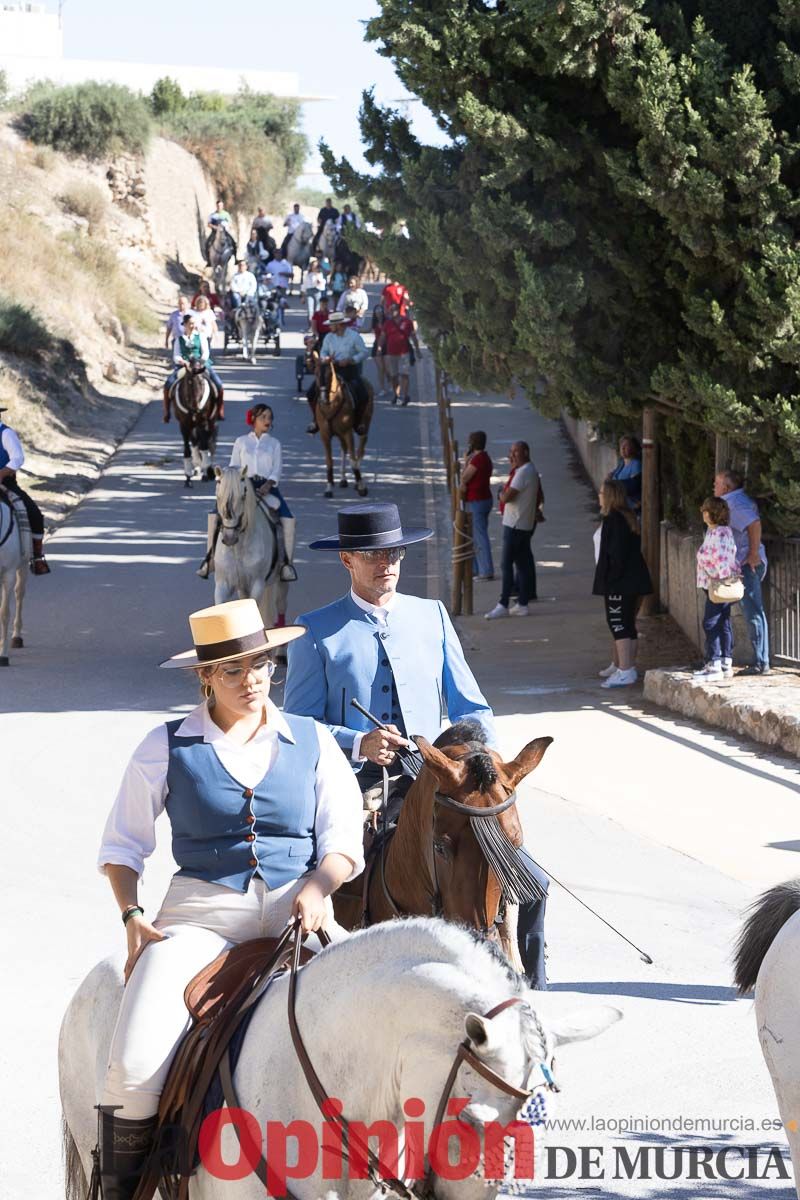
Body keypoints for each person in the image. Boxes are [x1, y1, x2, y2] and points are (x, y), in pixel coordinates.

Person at [94, 598, 363, 1200]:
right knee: (133, 1068)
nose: (253, 680)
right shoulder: (163, 746)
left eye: (262, 664)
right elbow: (122, 847)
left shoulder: (316, 741)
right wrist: (133, 915)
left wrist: (320, 887)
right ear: (205, 676)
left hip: (303, 913)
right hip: (199, 919)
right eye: (235, 670)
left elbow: (343, 840)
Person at [283, 501, 550, 989]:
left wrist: (482, 763)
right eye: (375, 556)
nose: (388, 564)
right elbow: (297, 725)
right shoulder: (315, 630)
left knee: (530, 877)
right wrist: (356, 742)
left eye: (396, 554)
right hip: (359, 782)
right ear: (348, 560)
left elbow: (472, 708)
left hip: (440, 777)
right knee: (325, 872)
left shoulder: (433, 616)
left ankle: (530, 980)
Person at [592, 479, 653, 688]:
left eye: (602, 492)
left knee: (619, 624)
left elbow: (616, 555)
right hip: (633, 581)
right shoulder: (626, 517)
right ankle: (626, 667)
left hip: (621, 584)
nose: (599, 495)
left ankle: (625, 670)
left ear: (609, 496)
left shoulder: (614, 520)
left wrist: (610, 581)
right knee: (627, 624)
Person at [714, 468, 770, 675]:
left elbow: (754, 524)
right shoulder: (734, 501)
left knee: (753, 610)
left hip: (748, 564)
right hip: (742, 563)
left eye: (717, 483)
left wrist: (753, 554)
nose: (714, 487)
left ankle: (761, 662)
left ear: (726, 487)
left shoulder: (734, 503)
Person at [485, 441, 542, 619]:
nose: (512, 455)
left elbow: (507, 497)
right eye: (511, 452)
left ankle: (503, 603)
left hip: (515, 525)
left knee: (507, 565)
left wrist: (501, 491)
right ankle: (522, 604)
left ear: (525, 452)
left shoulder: (524, 472)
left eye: (516, 452)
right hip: (523, 524)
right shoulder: (529, 470)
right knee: (523, 565)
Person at [692, 495, 741, 681]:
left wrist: (715, 576)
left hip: (717, 585)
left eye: (705, 510)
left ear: (710, 513)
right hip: (716, 584)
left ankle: (714, 664)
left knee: (711, 622)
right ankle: (725, 661)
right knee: (723, 622)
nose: (703, 514)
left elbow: (720, 560)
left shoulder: (719, 533)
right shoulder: (718, 532)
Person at [0, 407, 50, 574]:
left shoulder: (6, 434)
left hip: (5, 482)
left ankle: (37, 557)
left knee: (34, 514)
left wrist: (1, 474)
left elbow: (18, 458)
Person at [163, 314, 224, 422]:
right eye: (190, 323)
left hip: (200, 365)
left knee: (218, 384)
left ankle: (220, 410)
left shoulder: (201, 336)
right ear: (185, 325)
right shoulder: (179, 339)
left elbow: (205, 352)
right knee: (168, 384)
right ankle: (167, 413)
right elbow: (176, 355)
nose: (192, 326)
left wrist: (200, 362)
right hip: (184, 366)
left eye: (193, 323)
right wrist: (183, 362)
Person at [319, 311, 370, 434]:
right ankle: (316, 421)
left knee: (363, 394)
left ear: (340, 325)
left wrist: (352, 360)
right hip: (332, 367)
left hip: (349, 368)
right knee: (313, 391)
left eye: (332, 325)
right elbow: (323, 352)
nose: (330, 327)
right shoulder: (328, 337)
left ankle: (358, 422)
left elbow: (364, 352)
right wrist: (326, 358)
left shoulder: (354, 336)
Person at [460, 431, 494, 580]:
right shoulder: (485, 458)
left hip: (476, 501)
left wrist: (465, 461)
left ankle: (485, 570)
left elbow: (465, 477)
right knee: (477, 535)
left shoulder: (477, 460)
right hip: (485, 499)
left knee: (480, 537)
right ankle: (477, 568)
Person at [379, 302, 420, 406]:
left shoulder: (407, 322)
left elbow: (413, 336)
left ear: (398, 310)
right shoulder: (387, 324)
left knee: (404, 374)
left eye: (394, 310)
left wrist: (417, 349)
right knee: (394, 376)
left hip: (404, 352)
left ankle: (405, 395)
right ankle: (396, 395)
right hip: (391, 353)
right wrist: (379, 348)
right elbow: (383, 336)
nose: (392, 312)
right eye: (390, 310)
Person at [608, 435, 642, 511]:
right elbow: (613, 475)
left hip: (628, 506)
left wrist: (614, 484)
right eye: (621, 445)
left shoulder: (635, 464)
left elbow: (633, 486)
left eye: (626, 445)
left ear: (633, 448)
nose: (622, 448)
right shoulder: (622, 462)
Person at [205, 199, 236, 263]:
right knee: (207, 243)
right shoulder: (212, 215)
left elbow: (230, 223)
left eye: (220, 205)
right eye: (218, 205)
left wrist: (227, 227)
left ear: (222, 206)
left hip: (224, 232)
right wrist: (215, 227)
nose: (219, 207)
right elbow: (208, 224)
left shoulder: (226, 214)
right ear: (216, 206)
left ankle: (236, 259)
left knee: (233, 242)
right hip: (215, 232)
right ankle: (208, 261)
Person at [302, 258, 327, 323]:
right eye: (313, 265)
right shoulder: (307, 274)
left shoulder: (320, 274)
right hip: (310, 291)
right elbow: (304, 285)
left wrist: (319, 280)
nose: (314, 267)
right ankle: (311, 323)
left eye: (316, 266)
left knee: (317, 309)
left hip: (317, 291)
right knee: (310, 309)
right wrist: (303, 295)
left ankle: (317, 323)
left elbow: (323, 283)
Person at [370, 302, 387, 396]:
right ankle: (382, 388)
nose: (379, 312)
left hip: (387, 345)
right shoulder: (374, 323)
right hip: (377, 345)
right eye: (377, 311)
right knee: (381, 368)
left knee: (388, 369)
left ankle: (390, 382)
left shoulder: (387, 322)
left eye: (380, 310)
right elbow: (369, 330)